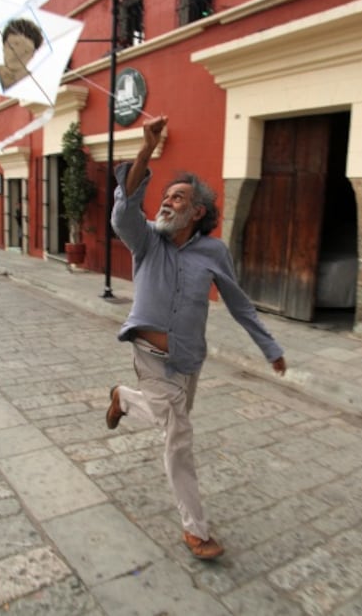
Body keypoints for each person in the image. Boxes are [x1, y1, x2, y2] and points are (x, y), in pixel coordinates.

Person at [108, 115, 287, 560]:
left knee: (169, 419)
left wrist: (270, 347)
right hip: (149, 354)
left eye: (178, 198)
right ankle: (196, 529)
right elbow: (123, 208)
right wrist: (146, 148)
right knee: (179, 435)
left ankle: (123, 398)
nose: (167, 202)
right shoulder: (146, 239)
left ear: (197, 211)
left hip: (190, 360)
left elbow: (239, 302)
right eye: (166, 196)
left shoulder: (213, 252)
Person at [0, 18, 43, 92]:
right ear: (4, 46)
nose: (18, 54)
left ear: (32, 56)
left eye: (26, 51)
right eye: (14, 46)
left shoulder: (36, 84)